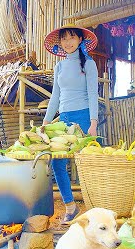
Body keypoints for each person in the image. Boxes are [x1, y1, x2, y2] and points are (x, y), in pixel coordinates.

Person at [42, 24, 99, 226]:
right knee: (58, 164)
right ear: (60, 43)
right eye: (64, 39)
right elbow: (55, 97)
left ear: (80, 40)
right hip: (63, 119)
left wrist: (93, 122)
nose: (68, 42)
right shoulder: (59, 67)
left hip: (83, 117)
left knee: (87, 163)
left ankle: (96, 208)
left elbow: (93, 93)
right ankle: (70, 207)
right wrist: (47, 121)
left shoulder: (89, 64)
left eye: (72, 37)